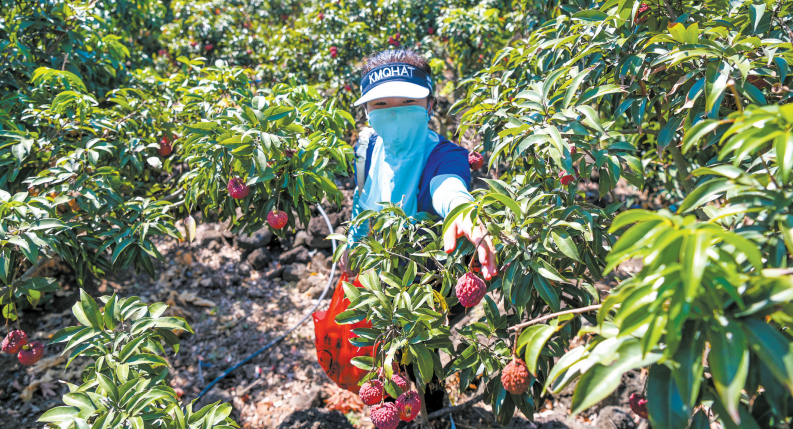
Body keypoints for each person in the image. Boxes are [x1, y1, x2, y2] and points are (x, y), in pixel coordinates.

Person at [339, 48, 497, 280]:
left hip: (427, 279)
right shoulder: (365, 147)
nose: (395, 113)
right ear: (366, 111)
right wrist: (354, 242)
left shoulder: (446, 156)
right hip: (377, 269)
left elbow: (449, 186)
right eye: (380, 103)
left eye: (408, 101)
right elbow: (360, 194)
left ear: (429, 106)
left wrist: (460, 210)